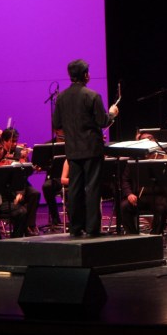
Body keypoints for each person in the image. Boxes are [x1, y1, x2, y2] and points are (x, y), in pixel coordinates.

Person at [52, 59, 118, 238]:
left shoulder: (61, 97)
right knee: (92, 188)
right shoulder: (92, 95)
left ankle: (75, 227)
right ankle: (92, 228)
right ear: (85, 75)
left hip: (72, 149)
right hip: (91, 149)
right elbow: (102, 121)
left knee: (75, 189)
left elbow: (57, 123)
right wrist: (112, 114)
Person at [119, 133, 167, 235]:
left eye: (150, 139)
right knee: (124, 206)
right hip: (140, 196)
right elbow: (125, 180)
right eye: (143, 140)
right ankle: (132, 236)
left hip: (159, 195)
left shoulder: (163, 157)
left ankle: (155, 236)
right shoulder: (134, 158)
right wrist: (129, 194)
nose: (147, 141)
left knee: (163, 206)